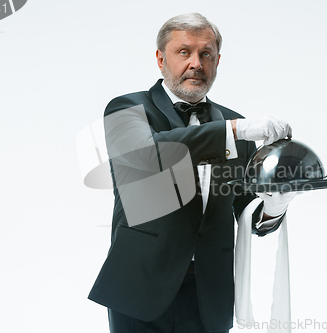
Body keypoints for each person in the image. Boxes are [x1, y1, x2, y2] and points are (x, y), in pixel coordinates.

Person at [88, 13, 295, 333]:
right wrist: (232, 131)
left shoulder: (235, 125)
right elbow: (148, 155)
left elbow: (247, 214)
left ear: (217, 60)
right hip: (141, 287)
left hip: (210, 294)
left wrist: (273, 206)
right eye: (184, 52)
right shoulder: (126, 109)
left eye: (206, 54)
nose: (196, 63)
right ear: (160, 58)